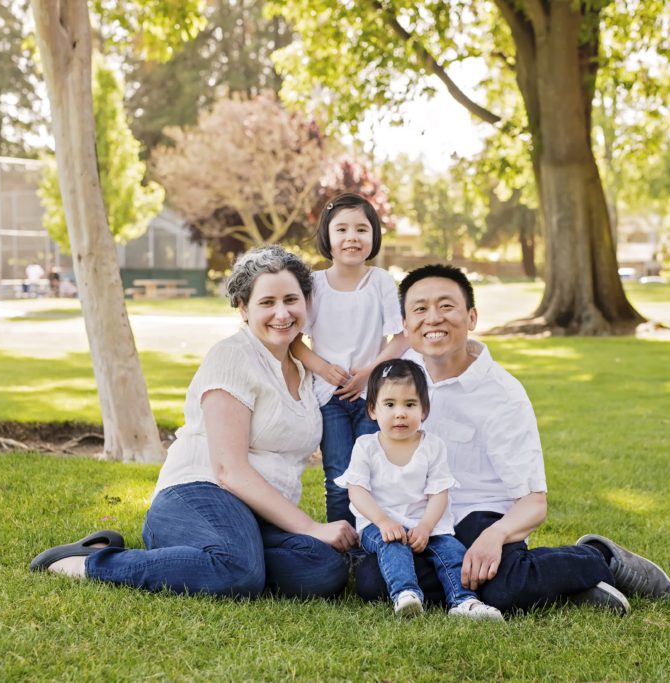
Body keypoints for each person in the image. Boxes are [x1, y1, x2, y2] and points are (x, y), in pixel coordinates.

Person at [30, 245, 357, 599]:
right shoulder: (232, 357)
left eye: (291, 299)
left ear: (307, 303)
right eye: (267, 302)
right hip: (198, 494)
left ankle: (216, 561)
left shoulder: (307, 373)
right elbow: (228, 470)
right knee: (240, 572)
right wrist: (310, 527)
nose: (282, 313)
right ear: (244, 308)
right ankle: (90, 562)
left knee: (324, 569)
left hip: (259, 516)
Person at [355, 264, 670, 616]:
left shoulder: (502, 394)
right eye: (419, 309)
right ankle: (561, 586)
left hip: (483, 514)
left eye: (446, 306)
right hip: (424, 521)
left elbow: (533, 502)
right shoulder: (400, 377)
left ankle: (600, 558)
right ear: (405, 324)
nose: (433, 318)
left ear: (472, 316)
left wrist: (495, 536)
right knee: (374, 581)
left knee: (500, 587)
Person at [337, 359, 503, 621]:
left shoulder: (432, 446)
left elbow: (439, 493)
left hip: (425, 524)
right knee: (393, 544)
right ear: (372, 410)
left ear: (424, 410)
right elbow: (357, 491)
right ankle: (406, 595)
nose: (400, 413)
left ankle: (464, 602)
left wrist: (426, 526)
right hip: (377, 525)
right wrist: (382, 520)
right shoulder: (366, 446)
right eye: (390, 405)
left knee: (451, 550)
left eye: (410, 404)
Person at [291, 193, 409, 526]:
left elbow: (401, 336)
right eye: (341, 229)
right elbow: (294, 341)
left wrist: (371, 372)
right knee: (338, 477)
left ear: (373, 236)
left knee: (373, 475)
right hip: (330, 399)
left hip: (372, 397)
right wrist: (323, 368)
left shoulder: (381, 283)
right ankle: (341, 546)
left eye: (361, 229)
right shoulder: (314, 285)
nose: (351, 237)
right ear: (327, 236)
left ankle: (370, 540)